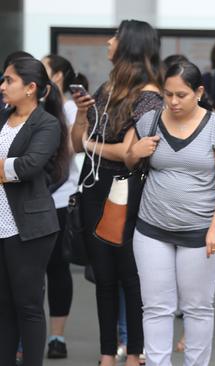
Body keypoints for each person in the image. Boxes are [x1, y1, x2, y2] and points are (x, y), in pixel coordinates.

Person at [124, 60, 215, 366]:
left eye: (181, 95)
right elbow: (128, 159)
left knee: (198, 308)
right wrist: (135, 152)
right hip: (151, 228)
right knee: (156, 307)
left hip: (201, 231)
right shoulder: (149, 120)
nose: (173, 102)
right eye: (168, 94)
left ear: (198, 92)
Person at [70, 19, 163, 366]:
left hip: (126, 190)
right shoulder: (108, 87)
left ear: (129, 45)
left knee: (129, 276)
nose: (108, 42)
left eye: (114, 37)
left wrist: (89, 142)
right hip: (95, 188)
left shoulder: (150, 95)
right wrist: (81, 118)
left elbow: (129, 155)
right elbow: (75, 143)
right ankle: (107, 354)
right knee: (103, 278)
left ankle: (135, 354)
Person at [0, 56, 67, 366]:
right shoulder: (2, 117)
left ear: (30, 88)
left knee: (27, 305)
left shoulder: (47, 123)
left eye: (8, 80)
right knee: (4, 307)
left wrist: (8, 169)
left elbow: (29, 166)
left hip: (28, 228)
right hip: (1, 225)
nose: (2, 86)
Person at [41, 53, 87, 359]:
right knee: (27, 273)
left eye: (43, 68)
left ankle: (56, 337)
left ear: (57, 76)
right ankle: (22, 337)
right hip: (25, 200)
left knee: (57, 268)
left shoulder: (70, 108)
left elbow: (71, 150)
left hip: (58, 198)